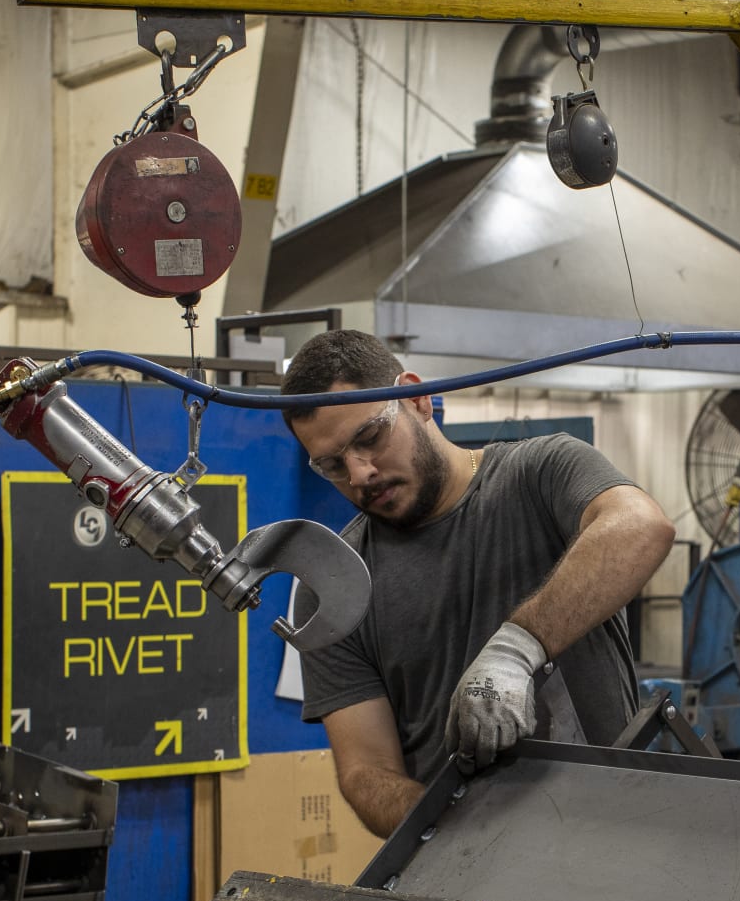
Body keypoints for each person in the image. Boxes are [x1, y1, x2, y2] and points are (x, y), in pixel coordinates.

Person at [279, 330, 675, 837]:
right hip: (469, 870)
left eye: (369, 437)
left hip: (618, 831)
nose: (359, 475)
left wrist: (515, 650)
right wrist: (460, 836)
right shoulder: (335, 584)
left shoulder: (542, 472)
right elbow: (366, 772)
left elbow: (643, 527)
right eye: (332, 464)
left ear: (417, 398)